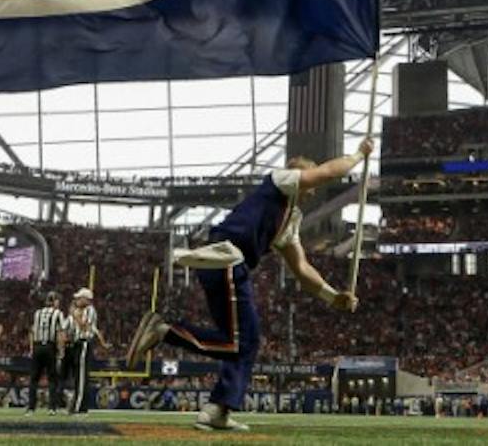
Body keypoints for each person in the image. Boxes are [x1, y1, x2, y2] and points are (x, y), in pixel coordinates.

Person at [125, 138, 373, 432]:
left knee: (244, 340)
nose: (314, 188)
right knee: (241, 341)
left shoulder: (290, 219)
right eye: (310, 177)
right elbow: (328, 172)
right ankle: (166, 331)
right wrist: (359, 155)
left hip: (227, 263)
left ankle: (219, 409)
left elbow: (302, 268)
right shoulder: (281, 182)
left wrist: (332, 297)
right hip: (227, 257)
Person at [27, 291, 70, 417]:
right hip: (50, 347)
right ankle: (51, 408)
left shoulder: (37, 313)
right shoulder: (58, 313)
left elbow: (32, 331)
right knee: (52, 379)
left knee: (34, 379)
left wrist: (31, 348)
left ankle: (31, 408)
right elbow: (61, 333)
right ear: (55, 301)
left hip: (37, 346)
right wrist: (61, 350)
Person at [63, 287, 106, 415]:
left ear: (86, 299)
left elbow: (84, 326)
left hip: (84, 343)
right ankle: (77, 404)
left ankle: (79, 407)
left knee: (81, 376)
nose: (76, 300)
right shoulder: (78, 311)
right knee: (77, 376)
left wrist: (75, 315)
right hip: (76, 344)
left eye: (79, 298)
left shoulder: (90, 310)